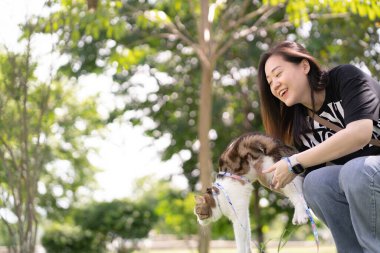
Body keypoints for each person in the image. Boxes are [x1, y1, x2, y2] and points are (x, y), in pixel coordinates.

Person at [257, 41, 380, 253]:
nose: (274, 84)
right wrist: (265, 175)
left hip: (368, 173)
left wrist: (295, 162)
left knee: (355, 170)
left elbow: (360, 133)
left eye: (278, 74)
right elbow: (313, 185)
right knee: (315, 182)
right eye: (269, 82)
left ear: (304, 66)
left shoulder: (345, 77)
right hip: (365, 184)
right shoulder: (300, 126)